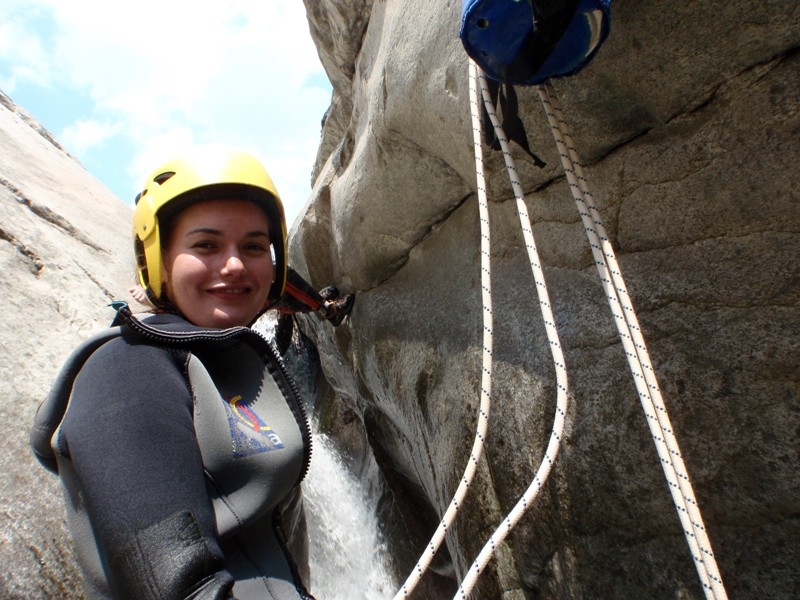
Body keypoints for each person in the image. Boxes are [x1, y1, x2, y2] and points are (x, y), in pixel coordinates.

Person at [31, 148, 326, 599]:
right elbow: (181, 588)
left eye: (253, 246)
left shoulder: (225, 361)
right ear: (159, 260)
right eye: (205, 244)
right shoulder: (127, 374)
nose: (234, 264)